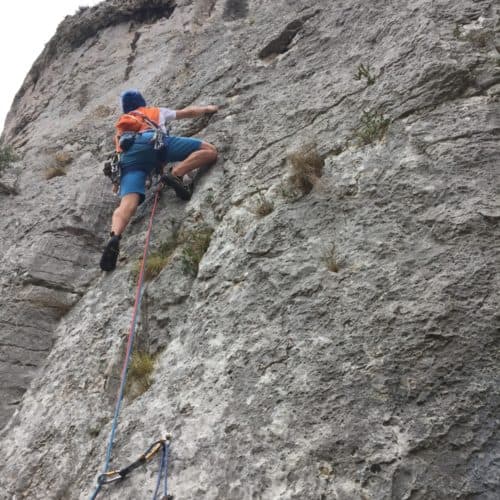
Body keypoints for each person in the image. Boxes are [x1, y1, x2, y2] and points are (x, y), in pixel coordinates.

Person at [99, 89, 218, 272]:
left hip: (128, 159)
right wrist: (208, 108)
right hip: (153, 143)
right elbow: (187, 112)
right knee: (209, 150)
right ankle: (177, 173)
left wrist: (117, 183)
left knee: (126, 204)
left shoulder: (122, 128)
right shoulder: (153, 111)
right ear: (142, 102)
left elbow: (119, 152)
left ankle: (114, 236)